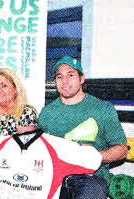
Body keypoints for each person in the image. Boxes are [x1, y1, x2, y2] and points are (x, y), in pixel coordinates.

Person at [38, 56, 128, 199]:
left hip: (91, 177)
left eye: (71, 75)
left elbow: (122, 150)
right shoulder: (47, 113)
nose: (65, 81)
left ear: (82, 79)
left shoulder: (102, 109)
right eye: (59, 77)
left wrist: (94, 155)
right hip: (54, 177)